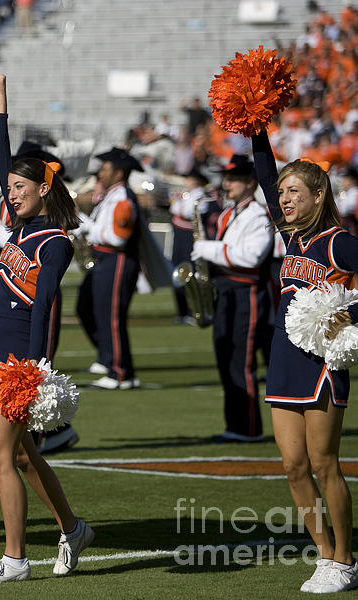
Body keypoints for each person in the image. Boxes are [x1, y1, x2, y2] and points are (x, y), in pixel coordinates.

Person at [0, 72, 93, 584]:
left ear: (45, 190)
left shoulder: (55, 241)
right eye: (9, 188)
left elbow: (45, 307)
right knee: (22, 454)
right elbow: (2, 157)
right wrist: (1, 102)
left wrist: (36, 368)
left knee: (1, 455)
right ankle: (72, 526)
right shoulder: (19, 227)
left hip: (19, 356)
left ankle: (16, 557)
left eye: (21, 188)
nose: (11, 193)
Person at [252, 130, 358, 593]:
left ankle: (346, 559)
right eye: (282, 191)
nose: (285, 198)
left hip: (321, 362)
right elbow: (261, 171)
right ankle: (323, 554)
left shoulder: (339, 242)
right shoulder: (290, 236)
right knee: (293, 465)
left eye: (294, 190)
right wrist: (255, 123)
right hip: (283, 358)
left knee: (324, 462)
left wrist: (347, 314)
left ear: (319, 195)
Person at [190, 154, 273, 443]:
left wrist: (208, 250)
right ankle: (234, 425)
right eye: (226, 178)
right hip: (226, 289)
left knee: (242, 358)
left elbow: (250, 257)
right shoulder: (230, 213)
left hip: (247, 292)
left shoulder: (259, 216)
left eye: (234, 179)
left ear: (250, 183)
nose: (227, 184)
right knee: (225, 357)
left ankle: (249, 427)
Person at [75, 147, 143, 390]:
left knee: (112, 317)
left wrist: (84, 227)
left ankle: (121, 372)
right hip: (104, 260)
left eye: (105, 169)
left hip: (117, 260)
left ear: (119, 172)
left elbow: (117, 237)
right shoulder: (112, 195)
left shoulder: (123, 197)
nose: (100, 174)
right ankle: (108, 358)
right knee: (89, 308)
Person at [169, 166, 211, 324]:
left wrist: (177, 205)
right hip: (180, 237)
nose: (186, 181)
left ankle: (194, 311)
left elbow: (187, 213)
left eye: (189, 178)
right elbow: (176, 209)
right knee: (178, 270)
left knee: (191, 272)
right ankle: (182, 311)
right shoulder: (188, 196)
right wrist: (177, 206)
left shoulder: (201, 196)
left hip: (190, 238)